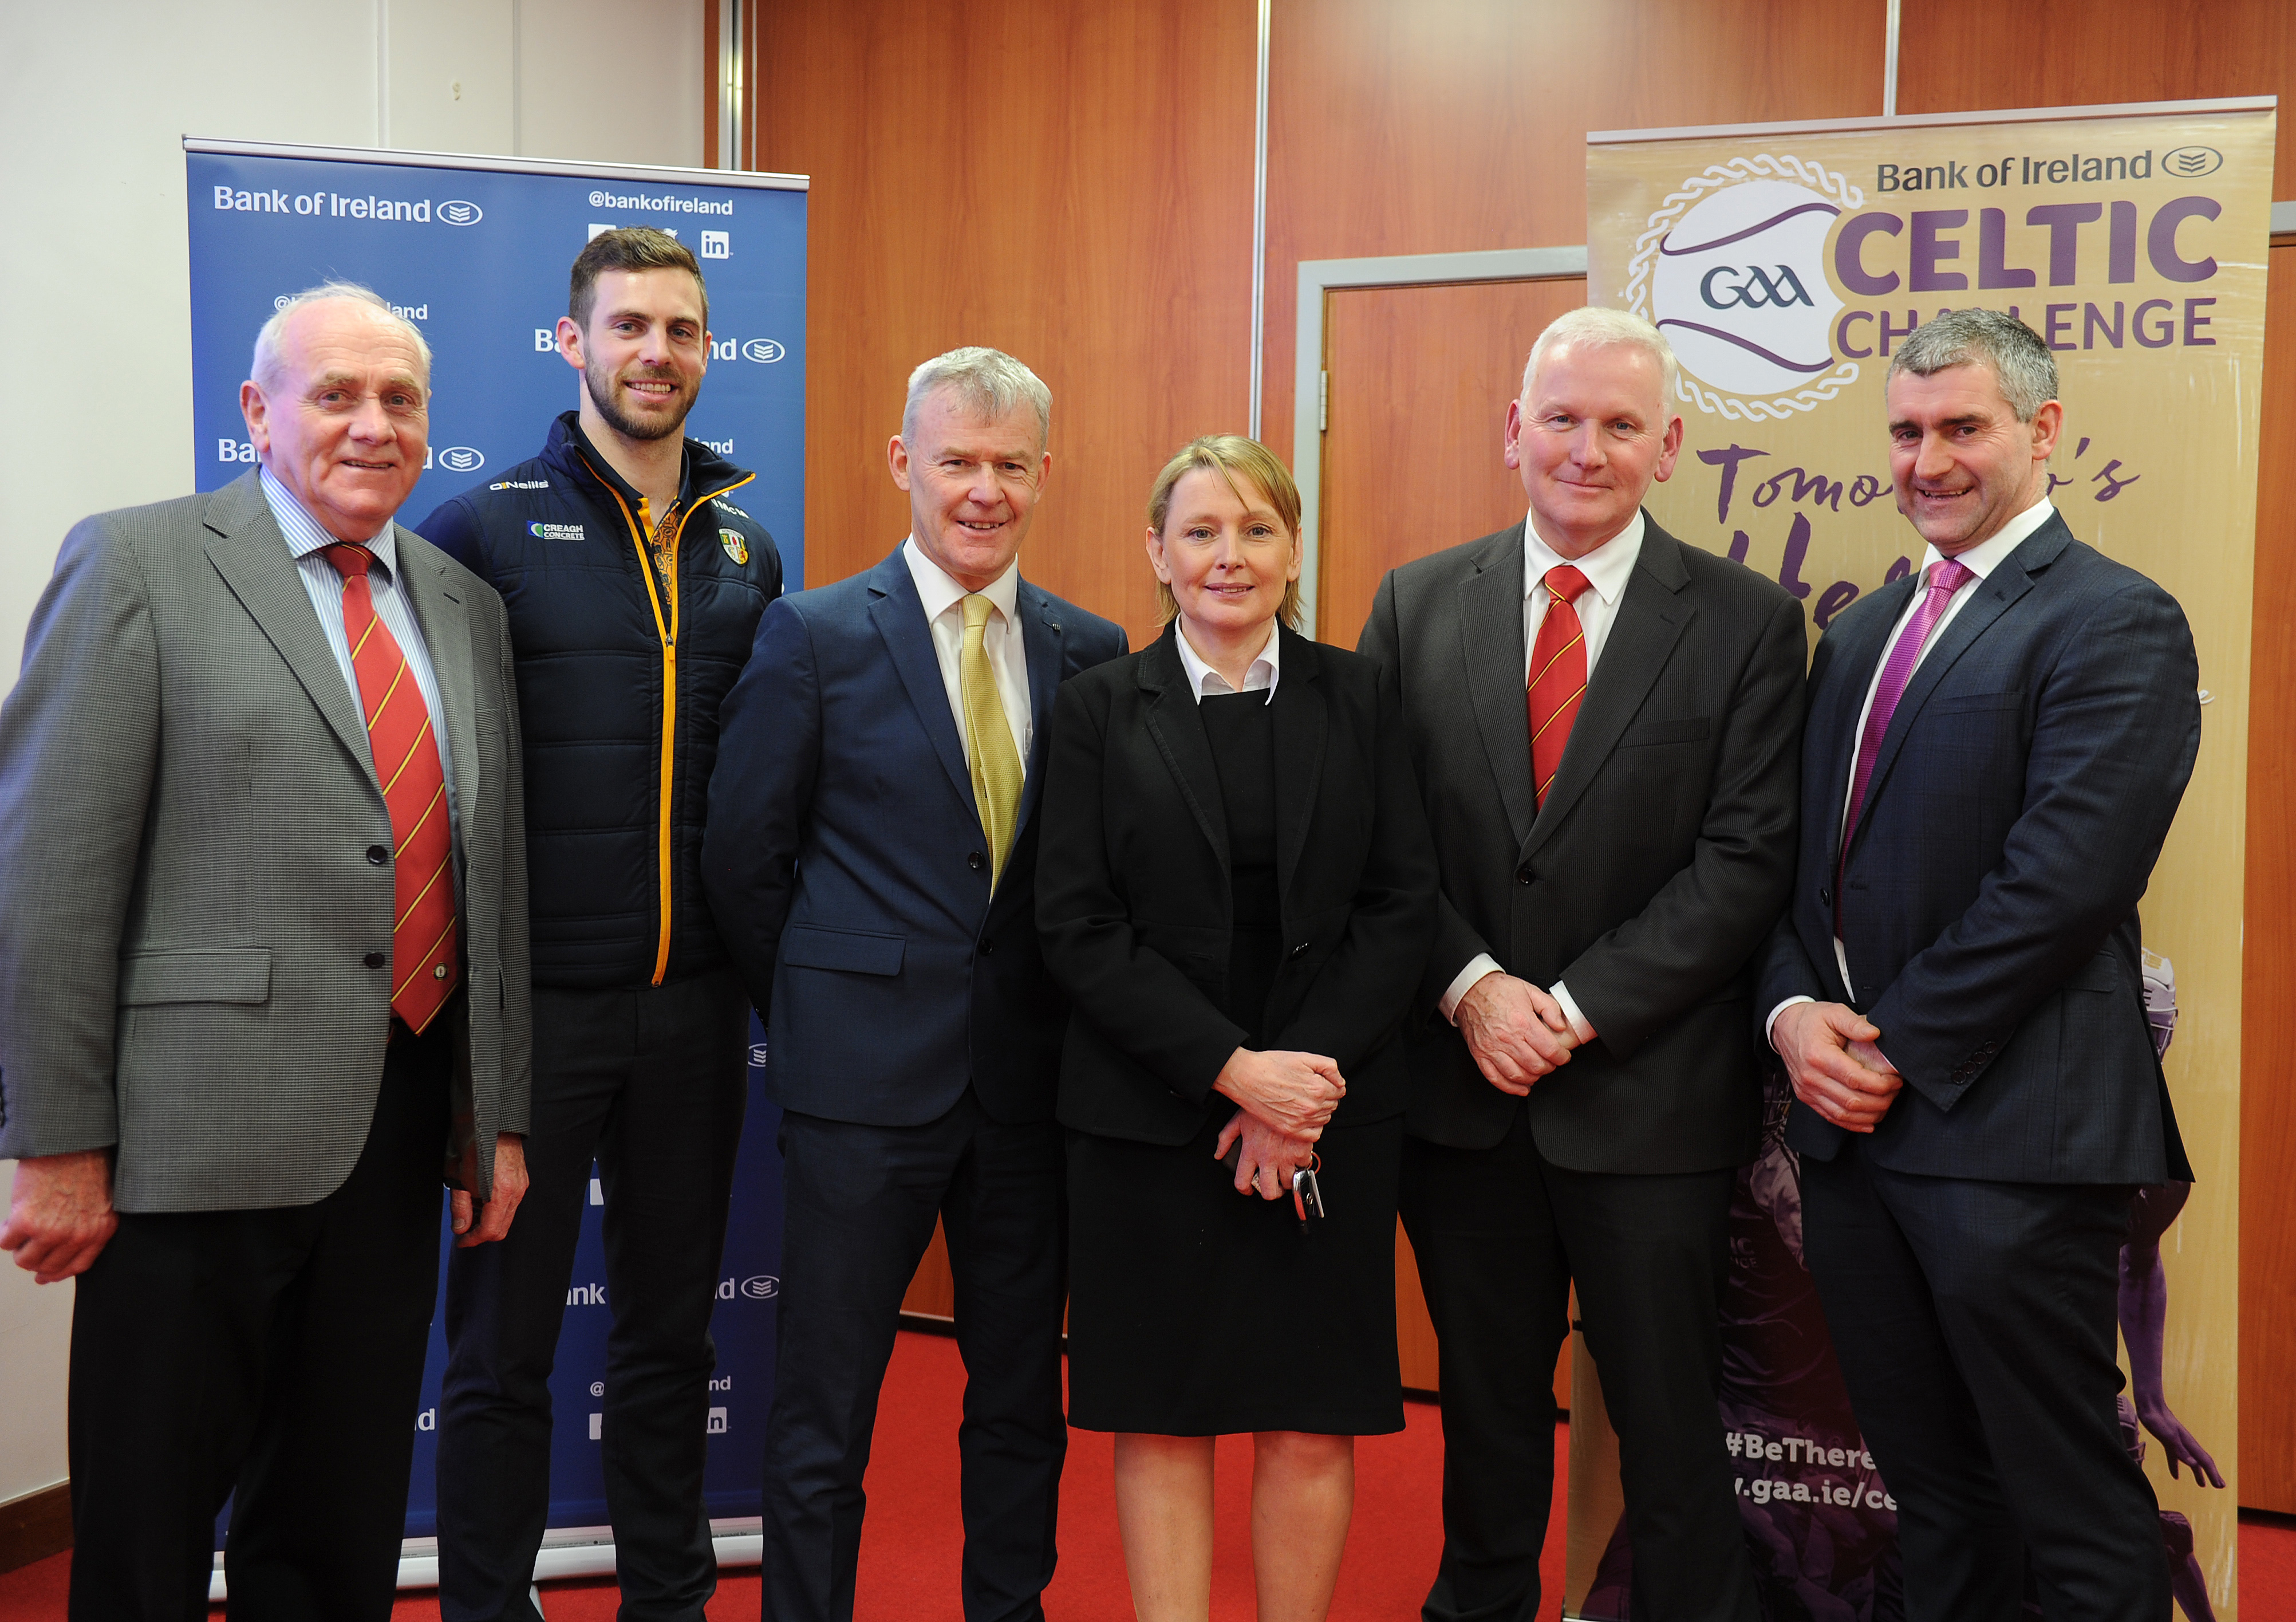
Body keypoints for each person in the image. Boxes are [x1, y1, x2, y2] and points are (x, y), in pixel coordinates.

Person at [0, 282, 531, 1620]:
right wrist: (55, 1142)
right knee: (149, 1519)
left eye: (399, 400)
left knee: (338, 1513)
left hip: (398, 1126)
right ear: (258, 411)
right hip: (187, 1140)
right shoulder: (137, 563)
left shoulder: (462, 602)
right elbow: (50, 871)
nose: (371, 425)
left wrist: (492, 1116)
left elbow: (490, 881)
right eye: (334, 395)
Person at [1357, 305, 1805, 1622]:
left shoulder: (1746, 625)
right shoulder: (1415, 602)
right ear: (1513, 432)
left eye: (1620, 426)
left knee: (1671, 1435)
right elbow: (1379, 845)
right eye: (1560, 418)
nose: (1585, 449)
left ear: (1668, 447)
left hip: (1650, 1108)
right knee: (1487, 1420)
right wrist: (1470, 989)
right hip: (1461, 1104)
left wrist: (1565, 1007)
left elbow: (1743, 863)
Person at [1758, 306, 2200, 1620]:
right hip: (1849, 1145)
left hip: (2011, 1140)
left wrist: (1882, 1050)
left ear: (2042, 429)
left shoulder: (2117, 621)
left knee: (2068, 1501)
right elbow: (1795, 873)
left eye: (1963, 427)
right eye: (1904, 431)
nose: (1927, 459)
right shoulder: (1859, 630)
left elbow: (2061, 886)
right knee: (1933, 1496)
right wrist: (1788, 1011)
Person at [702, 347, 1127, 1622]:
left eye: (1009, 465)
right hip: (855, 1091)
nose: (982, 490)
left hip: (1028, 1092)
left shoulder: (1089, 648)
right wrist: (827, 1011)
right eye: (957, 461)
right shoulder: (815, 634)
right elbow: (744, 860)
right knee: (825, 1407)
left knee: (1014, 1401)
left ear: (1044, 476)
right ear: (905, 464)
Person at [414, 227, 783, 1622]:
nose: (655, 354)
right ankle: (487, 1607)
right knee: (501, 1350)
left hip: (696, 1014)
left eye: (680, 330)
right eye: (627, 327)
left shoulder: (748, 542)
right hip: (529, 1019)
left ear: (709, 349)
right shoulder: (482, 530)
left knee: (668, 1339)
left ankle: (667, 1603)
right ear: (573, 342)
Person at [1035, 436, 1437, 1622]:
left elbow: (1398, 903)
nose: (1229, 557)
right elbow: (1076, 923)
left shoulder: (1362, 696)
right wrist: (1231, 1074)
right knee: (1160, 1415)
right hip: (1150, 1117)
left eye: (1256, 530)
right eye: (1200, 532)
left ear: (1294, 550)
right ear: (1155, 553)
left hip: (1330, 1115)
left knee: (1312, 1410)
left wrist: (1294, 1092)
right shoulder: (1099, 708)